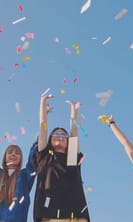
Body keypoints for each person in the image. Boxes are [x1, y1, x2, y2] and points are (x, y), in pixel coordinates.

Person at [0, 95, 38, 222]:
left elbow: (35, 157)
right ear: (4, 157)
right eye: (10, 152)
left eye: (17, 153)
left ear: (21, 158)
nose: (13, 154)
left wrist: (42, 125)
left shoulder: (25, 176)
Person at [34, 94, 90, 222]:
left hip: (75, 216)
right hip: (50, 216)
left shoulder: (71, 158)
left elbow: (74, 131)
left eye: (64, 135)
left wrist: (74, 111)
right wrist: (42, 102)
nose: (60, 136)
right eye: (56, 134)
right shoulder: (44, 156)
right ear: (50, 139)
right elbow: (42, 125)